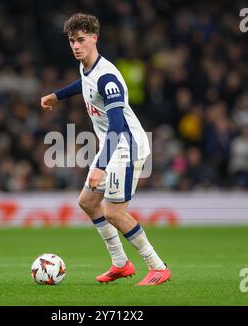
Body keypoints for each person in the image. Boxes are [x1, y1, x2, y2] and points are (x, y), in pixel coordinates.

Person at [41, 13, 171, 286]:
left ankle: (157, 266)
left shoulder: (108, 77)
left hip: (127, 145)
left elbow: (117, 125)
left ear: (94, 39)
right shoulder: (87, 67)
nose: (76, 46)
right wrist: (57, 95)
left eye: (81, 40)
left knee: (113, 212)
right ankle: (121, 264)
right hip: (112, 146)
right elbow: (84, 84)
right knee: (87, 202)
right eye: (71, 41)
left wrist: (100, 166)